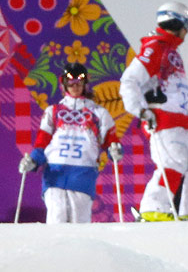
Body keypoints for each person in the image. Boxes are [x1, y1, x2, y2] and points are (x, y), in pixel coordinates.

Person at [119, 2, 188, 221]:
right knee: (173, 162)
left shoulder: (170, 50)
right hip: (163, 118)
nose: (187, 30)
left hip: (181, 118)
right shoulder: (156, 47)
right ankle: (152, 208)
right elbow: (129, 81)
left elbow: (172, 92)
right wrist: (142, 111)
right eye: (186, 24)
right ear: (177, 22)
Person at [18, 63, 122, 223]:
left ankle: (81, 248)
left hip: (83, 171)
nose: (75, 87)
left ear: (85, 84)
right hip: (55, 170)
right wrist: (33, 160)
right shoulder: (53, 111)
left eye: (79, 83)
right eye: (71, 84)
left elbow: (110, 141)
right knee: (56, 217)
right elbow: (42, 141)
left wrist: (114, 151)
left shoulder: (98, 112)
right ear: (64, 85)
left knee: (78, 220)